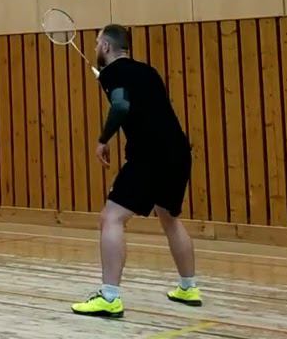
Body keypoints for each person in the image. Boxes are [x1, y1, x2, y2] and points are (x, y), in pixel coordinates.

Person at [72, 24, 201, 318]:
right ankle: (188, 287)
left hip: (150, 155)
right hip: (178, 152)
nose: (95, 48)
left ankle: (109, 297)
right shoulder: (148, 71)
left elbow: (121, 106)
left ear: (106, 46)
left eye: (97, 43)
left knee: (111, 218)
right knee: (169, 217)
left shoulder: (113, 73)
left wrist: (103, 139)